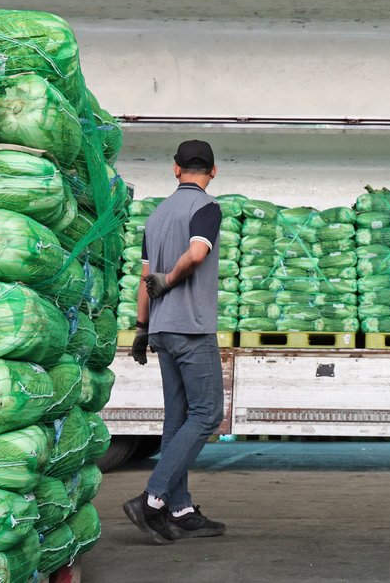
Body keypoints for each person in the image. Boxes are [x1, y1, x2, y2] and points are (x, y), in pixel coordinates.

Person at [123, 139, 227, 544]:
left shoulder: (156, 216)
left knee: (177, 420)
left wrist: (141, 327)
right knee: (207, 413)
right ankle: (153, 500)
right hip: (191, 328)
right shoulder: (206, 208)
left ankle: (180, 510)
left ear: (175, 169)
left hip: (164, 329)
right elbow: (197, 254)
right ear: (213, 171)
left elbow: (144, 279)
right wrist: (171, 279)